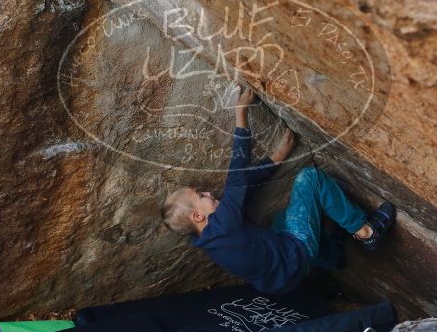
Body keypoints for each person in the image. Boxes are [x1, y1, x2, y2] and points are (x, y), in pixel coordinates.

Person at [160, 87, 395, 293]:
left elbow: (245, 188)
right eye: (201, 196)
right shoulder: (224, 224)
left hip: (281, 277)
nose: (209, 193)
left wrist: (276, 158)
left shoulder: (207, 237)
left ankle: (334, 257)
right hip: (295, 255)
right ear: (197, 216)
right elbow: (237, 174)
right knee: (309, 179)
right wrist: (241, 112)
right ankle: (366, 232)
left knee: (283, 218)